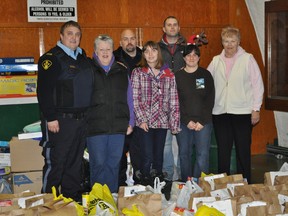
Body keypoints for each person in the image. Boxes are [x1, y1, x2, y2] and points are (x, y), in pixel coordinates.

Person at [37, 20, 94, 202]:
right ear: (61, 36)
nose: (74, 37)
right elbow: (43, 91)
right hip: (59, 122)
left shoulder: (83, 58)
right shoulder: (50, 59)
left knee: (75, 163)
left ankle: (70, 202)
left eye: (77, 34)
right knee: (56, 163)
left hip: (81, 121)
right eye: (70, 33)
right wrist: (51, 118)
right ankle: (48, 203)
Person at [207, 26, 264, 183]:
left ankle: (245, 183)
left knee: (242, 150)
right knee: (223, 152)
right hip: (220, 113)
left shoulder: (248, 59)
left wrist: (256, 109)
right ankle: (223, 185)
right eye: (226, 41)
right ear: (222, 42)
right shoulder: (215, 61)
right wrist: (193, 83)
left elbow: (257, 85)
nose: (229, 44)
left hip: (243, 113)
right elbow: (205, 80)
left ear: (239, 42)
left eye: (233, 41)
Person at [86, 34, 134, 193]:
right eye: (101, 49)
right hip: (95, 127)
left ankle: (111, 200)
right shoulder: (88, 70)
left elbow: (129, 97)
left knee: (113, 164)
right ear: (95, 51)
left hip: (118, 126)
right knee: (98, 164)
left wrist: (131, 121)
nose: (105, 53)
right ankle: (98, 201)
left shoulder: (122, 69)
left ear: (112, 50)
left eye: (108, 49)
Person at [131, 40, 180, 185]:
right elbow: (135, 98)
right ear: (143, 55)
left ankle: (157, 187)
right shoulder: (138, 72)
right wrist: (141, 119)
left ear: (158, 53)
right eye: (147, 51)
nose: (150, 54)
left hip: (162, 122)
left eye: (153, 50)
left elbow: (174, 99)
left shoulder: (168, 73)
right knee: (147, 156)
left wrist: (174, 123)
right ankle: (145, 185)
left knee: (159, 156)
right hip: (145, 122)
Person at [175, 44, 215, 181]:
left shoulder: (205, 75)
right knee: (184, 154)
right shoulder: (177, 76)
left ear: (198, 57)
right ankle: (186, 184)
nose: (191, 58)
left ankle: (200, 184)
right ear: (184, 57)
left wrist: (202, 121)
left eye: (195, 55)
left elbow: (210, 99)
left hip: (203, 123)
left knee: (202, 155)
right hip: (183, 123)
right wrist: (186, 120)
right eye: (188, 55)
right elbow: (176, 102)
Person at [159, 15, 186, 181]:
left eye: (175, 25)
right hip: (164, 101)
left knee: (183, 145)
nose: (172, 27)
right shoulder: (157, 48)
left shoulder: (187, 47)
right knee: (166, 145)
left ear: (178, 27)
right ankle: (168, 176)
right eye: (169, 25)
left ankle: (184, 178)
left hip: (183, 101)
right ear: (164, 28)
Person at [113, 29, 142, 186]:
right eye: (126, 39)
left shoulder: (146, 57)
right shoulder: (113, 59)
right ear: (120, 42)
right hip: (122, 114)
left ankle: (139, 184)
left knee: (140, 152)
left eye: (132, 38)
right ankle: (120, 185)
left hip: (143, 114)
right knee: (120, 152)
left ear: (136, 40)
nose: (129, 42)